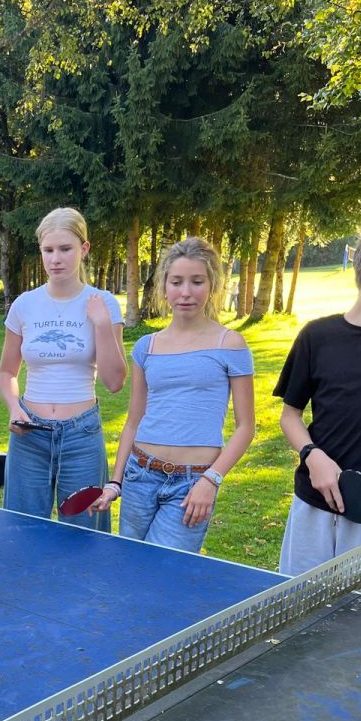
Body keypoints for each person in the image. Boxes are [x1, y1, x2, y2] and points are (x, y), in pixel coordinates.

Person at [93, 237, 255, 553]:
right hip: (140, 475)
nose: (186, 292)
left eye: (197, 281)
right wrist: (115, 482)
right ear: (164, 286)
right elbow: (133, 421)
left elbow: (246, 427)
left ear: (212, 285)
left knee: (165, 572)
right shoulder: (147, 346)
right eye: (177, 282)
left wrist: (211, 480)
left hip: (192, 483)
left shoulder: (230, 344)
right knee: (130, 566)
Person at [275, 216, 361, 590]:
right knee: (298, 610)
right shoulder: (317, 336)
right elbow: (290, 415)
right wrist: (312, 456)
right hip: (314, 506)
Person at [0, 207, 126, 527]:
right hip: (30, 435)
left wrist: (102, 324)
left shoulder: (103, 303)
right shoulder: (24, 304)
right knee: (22, 531)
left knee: (83, 535)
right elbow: (7, 372)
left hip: (82, 435)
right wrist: (14, 407)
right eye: (48, 250)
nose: (56, 259)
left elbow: (114, 382)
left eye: (65, 249)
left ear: (84, 249)